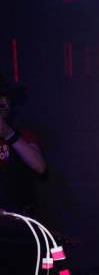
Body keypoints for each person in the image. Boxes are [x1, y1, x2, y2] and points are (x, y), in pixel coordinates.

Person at [0, 76, 46, 213]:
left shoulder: (22, 135)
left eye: (6, 101)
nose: (4, 106)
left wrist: (8, 134)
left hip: (16, 215)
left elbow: (40, 166)